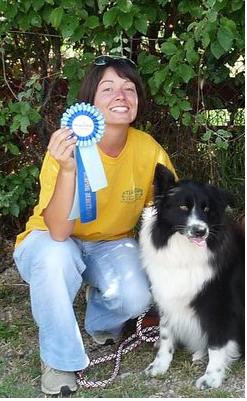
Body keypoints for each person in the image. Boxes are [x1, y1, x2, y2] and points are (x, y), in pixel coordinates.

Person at [13, 55, 177, 396]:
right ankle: (59, 360)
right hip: (50, 240)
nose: (121, 95)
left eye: (129, 88)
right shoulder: (67, 146)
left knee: (134, 295)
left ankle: (99, 319)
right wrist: (69, 171)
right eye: (109, 88)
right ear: (89, 103)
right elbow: (58, 231)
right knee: (56, 256)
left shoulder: (148, 149)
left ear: (137, 101)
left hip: (111, 244)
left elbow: (170, 212)